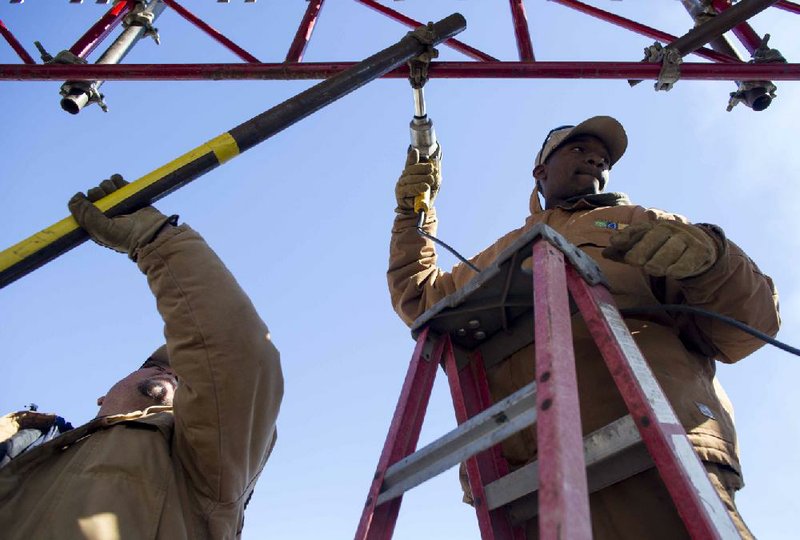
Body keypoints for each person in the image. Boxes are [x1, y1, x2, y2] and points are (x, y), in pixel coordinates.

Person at [388, 116, 780, 539]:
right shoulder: (500, 254)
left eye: (603, 156)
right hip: (523, 484)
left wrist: (713, 261)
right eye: (578, 149)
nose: (596, 158)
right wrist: (414, 214)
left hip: (653, 453)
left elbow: (749, 326)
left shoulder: (642, 222)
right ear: (540, 173)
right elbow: (420, 297)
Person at [0, 175, 284, 539]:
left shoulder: (203, 470)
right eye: (157, 368)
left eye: (186, 381)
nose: (173, 378)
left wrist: (154, 238)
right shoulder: (27, 452)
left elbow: (236, 357)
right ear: (103, 396)